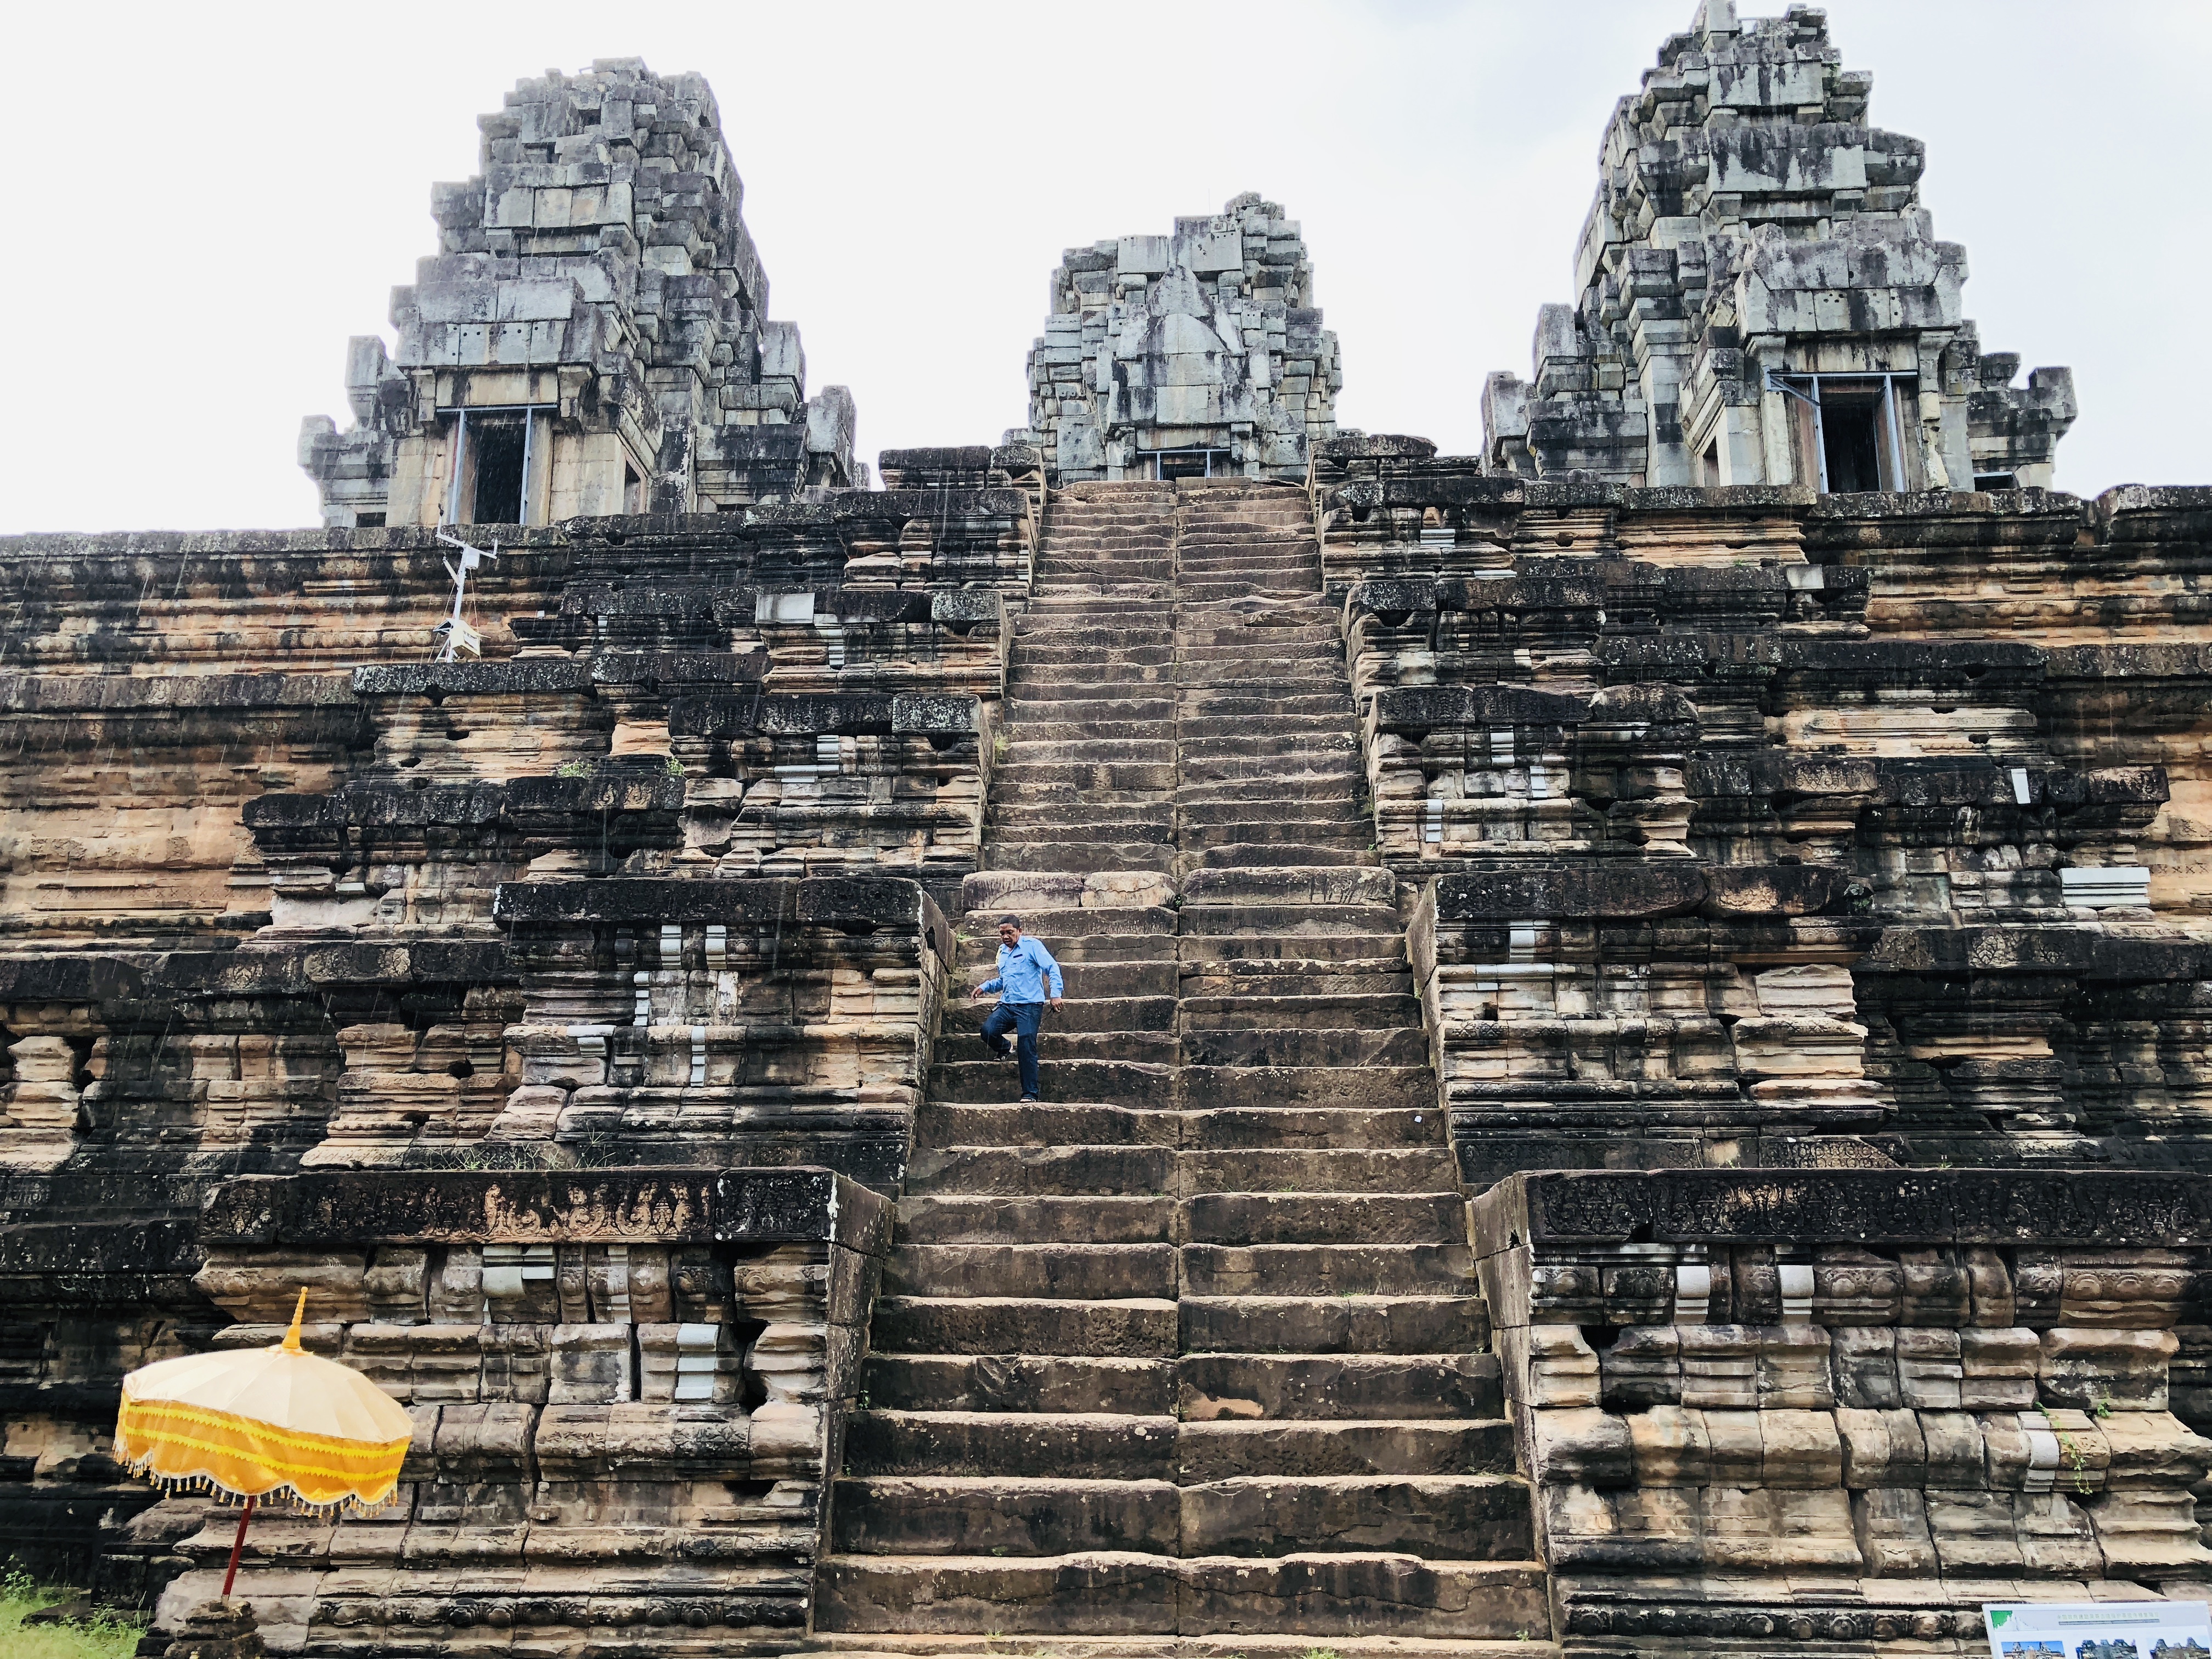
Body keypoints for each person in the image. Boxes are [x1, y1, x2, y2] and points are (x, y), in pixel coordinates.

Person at [969, 913, 1063, 1103]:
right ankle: (1005, 1048)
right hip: (1008, 1005)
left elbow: (1051, 967)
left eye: (1010, 932)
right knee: (988, 1031)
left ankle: (1030, 1093)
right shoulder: (1002, 952)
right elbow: (1004, 980)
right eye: (1002, 933)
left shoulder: (1032, 946)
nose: (1006, 937)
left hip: (1030, 1006)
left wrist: (1056, 994)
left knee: (1027, 1045)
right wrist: (984, 987)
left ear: (1020, 931)